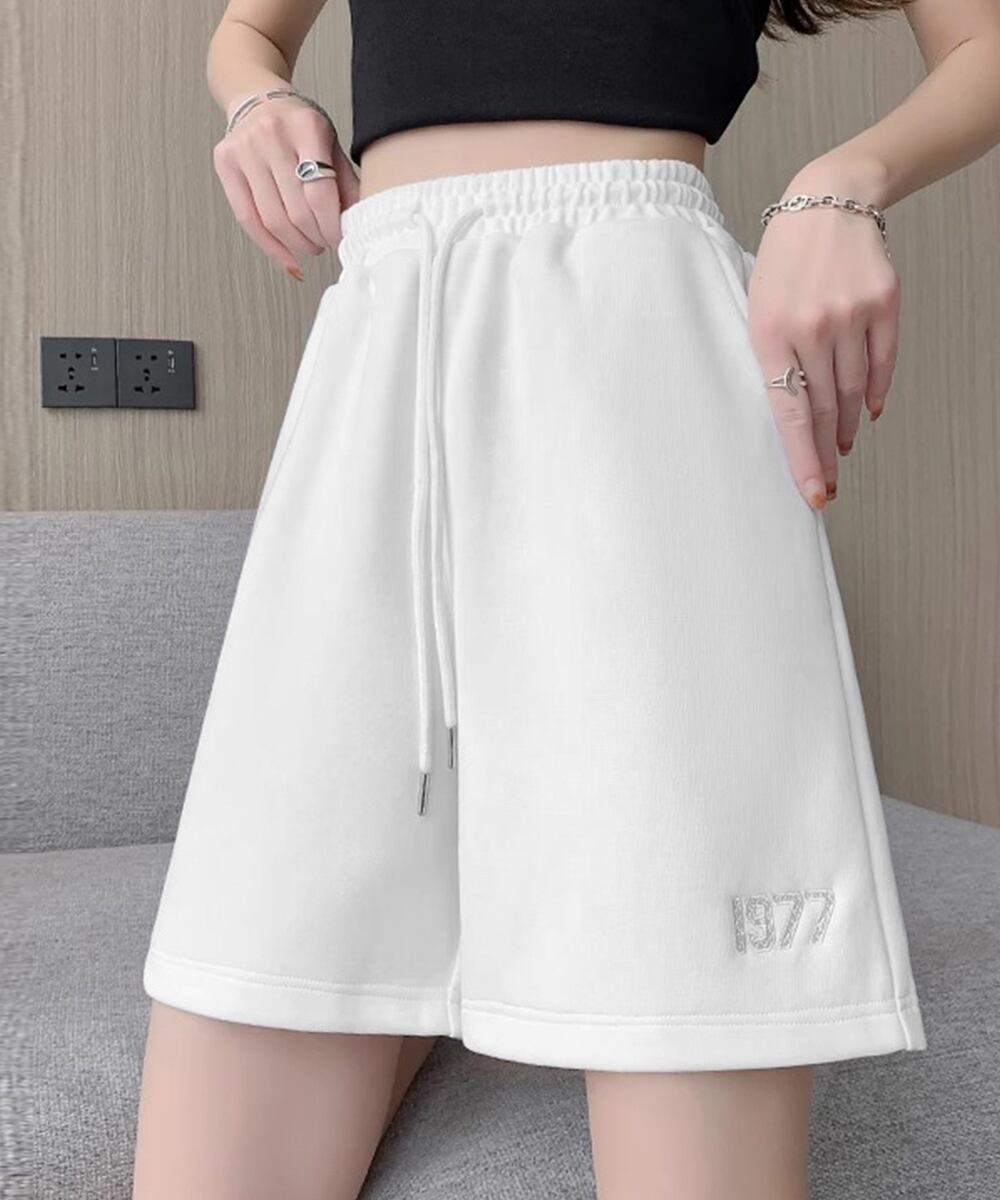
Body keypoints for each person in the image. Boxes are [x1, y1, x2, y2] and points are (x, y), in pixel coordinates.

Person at [132, 1, 999, 1197]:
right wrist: (257, 100)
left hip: (638, 367)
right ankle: (460, 942)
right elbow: (247, 32)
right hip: (382, 351)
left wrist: (842, 185)